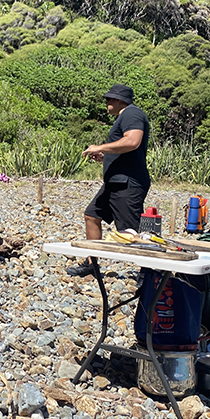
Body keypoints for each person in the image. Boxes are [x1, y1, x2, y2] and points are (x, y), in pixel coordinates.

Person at [66, 83, 151, 276]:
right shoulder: (124, 116)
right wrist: (107, 157)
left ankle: (149, 274)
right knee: (91, 215)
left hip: (128, 183)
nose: (106, 103)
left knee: (130, 231)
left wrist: (101, 147)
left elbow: (132, 141)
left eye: (109, 99)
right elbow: (126, 149)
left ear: (120, 100)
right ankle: (91, 264)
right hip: (116, 182)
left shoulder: (132, 114)